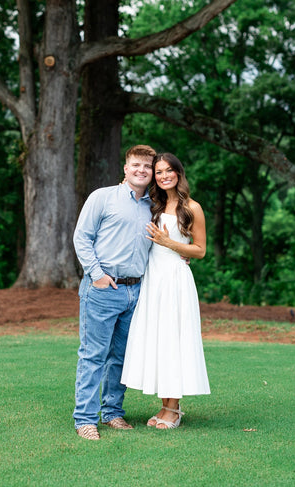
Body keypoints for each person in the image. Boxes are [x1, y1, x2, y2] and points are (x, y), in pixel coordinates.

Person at [72, 144, 157, 441]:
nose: (141, 171)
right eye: (136, 165)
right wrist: (97, 276)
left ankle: (112, 413)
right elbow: (81, 238)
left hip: (136, 291)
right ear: (125, 167)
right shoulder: (103, 197)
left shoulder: (152, 206)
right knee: (93, 355)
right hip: (104, 288)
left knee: (121, 356)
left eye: (147, 167)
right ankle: (85, 419)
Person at [121, 152, 210, 429]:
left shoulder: (192, 208)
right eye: (158, 172)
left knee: (174, 340)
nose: (163, 176)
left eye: (169, 170)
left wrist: (170, 244)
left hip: (175, 280)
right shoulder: (153, 207)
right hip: (153, 279)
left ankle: (174, 409)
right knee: (159, 341)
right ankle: (164, 406)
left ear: (178, 173)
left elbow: (200, 250)